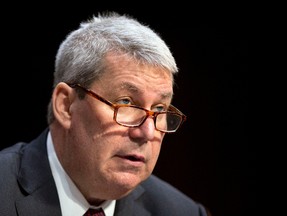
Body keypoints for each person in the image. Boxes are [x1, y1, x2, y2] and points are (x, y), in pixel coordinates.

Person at [0, 12, 210, 216]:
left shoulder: (181, 211)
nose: (146, 132)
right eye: (126, 103)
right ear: (66, 105)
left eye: (159, 110)